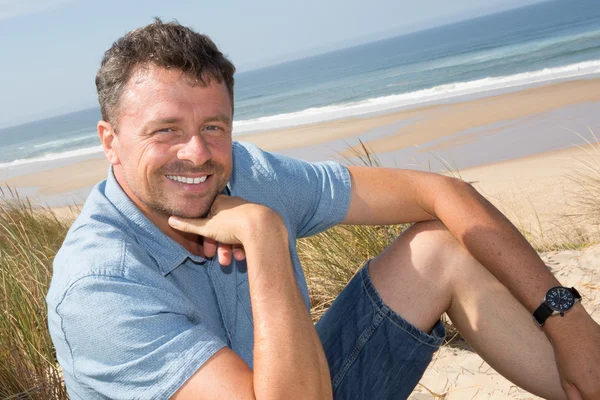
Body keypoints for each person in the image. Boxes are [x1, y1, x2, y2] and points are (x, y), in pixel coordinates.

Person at [47, 19, 600, 400]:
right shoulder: (98, 288)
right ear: (109, 140)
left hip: (299, 381)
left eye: (213, 127)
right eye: (165, 130)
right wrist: (264, 237)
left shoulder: (246, 172)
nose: (198, 152)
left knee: (439, 248)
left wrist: (567, 320)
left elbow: (442, 193)